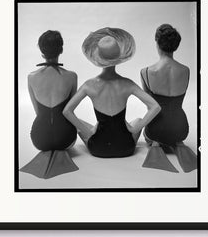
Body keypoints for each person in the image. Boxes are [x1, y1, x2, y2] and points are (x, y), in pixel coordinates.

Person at [63, 27, 160, 158]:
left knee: (80, 123)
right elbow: (155, 107)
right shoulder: (128, 84)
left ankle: (96, 130)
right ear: (119, 57)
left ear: (98, 57)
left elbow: (67, 111)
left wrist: (90, 132)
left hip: (98, 148)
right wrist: (135, 129)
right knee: (138, 120)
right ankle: (122, 129)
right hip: (126, 147)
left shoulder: (88, 85)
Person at [20, 30, 79, 179]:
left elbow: (37, 111)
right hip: (67, 139)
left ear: (41, 52)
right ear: (61, 50)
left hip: (39, 140)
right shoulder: (72, 76)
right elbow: (70, 112)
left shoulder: (31, 77)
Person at [140, 24, 198, 173]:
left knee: (151, 135)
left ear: (157, 43)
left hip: (155, 131)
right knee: (174, 133)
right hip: (181, 129)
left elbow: (150, 106)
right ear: (175, 46)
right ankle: (177, 144)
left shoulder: (146, 72)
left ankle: (156, 145)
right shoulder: (186, 70)